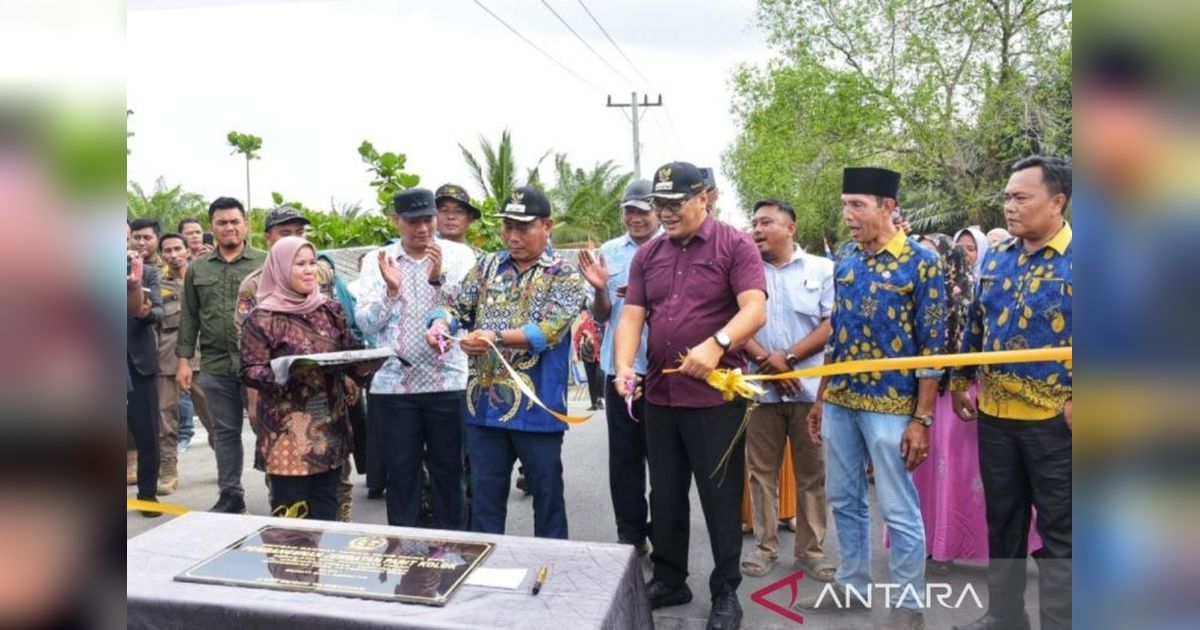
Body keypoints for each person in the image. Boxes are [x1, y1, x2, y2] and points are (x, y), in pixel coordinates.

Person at [614, 161, 767, 630]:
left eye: (674, 203)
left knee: (720, 497)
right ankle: (669, 578)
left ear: (705, 198)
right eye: (659, 204)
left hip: (716, 400)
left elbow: (754, 309)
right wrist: (624, 365)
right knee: (665, 495)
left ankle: (726, 592)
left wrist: (718, 343)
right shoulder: (649, 255)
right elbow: (633, 316)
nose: (665, 213)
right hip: (661, 396)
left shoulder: (734, 245)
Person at [796, 167, 945, 630]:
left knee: (897, 507)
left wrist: (922, 419)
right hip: (842, 400)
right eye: (845, 205)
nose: (848, 215)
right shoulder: (846, 257)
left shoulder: (921, 262)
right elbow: (837, 334)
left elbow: (933, 347)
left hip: (892, 406)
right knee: (844, 498)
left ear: (888, 207)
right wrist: (821, 398)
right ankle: (852, 586)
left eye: (857, 205)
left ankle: (909, 605)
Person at [950, 156, 1073, 630]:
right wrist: (961, 379)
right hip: (996, 417)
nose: (1009, 206)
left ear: (1057, 202)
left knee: (1062, 531)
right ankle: (1004, 616)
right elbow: (976, 323)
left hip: (1056, 423)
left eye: (1021, 197)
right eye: (1006, 197)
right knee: (1003, 521)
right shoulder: (998, 256)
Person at [426, 186, 587, 540]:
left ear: (547, 226)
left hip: (538, 407)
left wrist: (493, 337)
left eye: (523, 228)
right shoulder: (487, 266)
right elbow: (456, 307)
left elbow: (549, 330)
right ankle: (486, 567)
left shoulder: (564, 275)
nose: (513, 236)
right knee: (485, 500)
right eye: (507, 227)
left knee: (547, 497)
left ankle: (552, 565)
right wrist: (440, 324)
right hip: (483, 408)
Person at [355, 188, 477, 529]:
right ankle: (402, 549)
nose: (423, 229)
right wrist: (391, 291)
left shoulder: (459, 256)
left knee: (449, 472)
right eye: (413, 222)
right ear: (396, 221)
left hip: (447, 382)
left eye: (428, 220)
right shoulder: (377, 261)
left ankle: (454, 545)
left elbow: (469, 312)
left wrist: (439, 279)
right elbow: (366, 324)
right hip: (395, 387)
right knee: (401, 475)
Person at [232, 206, 352, 519]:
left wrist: (361, 367)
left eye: (312, 263)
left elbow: (349, 350)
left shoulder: (330, 309)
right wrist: (291, 372)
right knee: (291, 512)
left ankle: (324, 551)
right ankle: (289, 554)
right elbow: (250, 370)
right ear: (281, 268)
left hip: (328, 421)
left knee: (327, 504)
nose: (310, 270)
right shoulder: (263, 317)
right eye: (300, 264)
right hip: (285, 427)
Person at [738, 199, 836, 582]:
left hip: (809, 392)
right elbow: (734, 321)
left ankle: (811, 551)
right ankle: (764, 547)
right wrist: (769, 363)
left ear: (790, 228)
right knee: (761, 473)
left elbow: (831, 323)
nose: (757, 229)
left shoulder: (822, 269)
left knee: (812, 474)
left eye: (766, 222)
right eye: (754, 223)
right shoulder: (744, 270)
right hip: (761, 391)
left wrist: (789, 358)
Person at [576, 178, 661, 556]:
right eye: (629, 211)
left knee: (665, 462)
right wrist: (599, 289)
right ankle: (630, 534)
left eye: (642, 211)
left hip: (663, 370)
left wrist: (647, 297)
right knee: (624, 460)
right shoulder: (609, 253)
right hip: (620, 370)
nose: (635, 218)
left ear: (658, 211)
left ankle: (663, 533)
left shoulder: (673, 248)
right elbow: (601, 316)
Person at [176, 196, 266, 514]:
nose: (229, 227)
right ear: (211, 227)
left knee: (265, 427)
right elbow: (190, 316)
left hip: (258, 366)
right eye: (222, 222)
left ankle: (279, 488)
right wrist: (184, 361)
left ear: (246, 225)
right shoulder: (198, 268)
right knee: (225, 432)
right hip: (215, 364)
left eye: (235, 221)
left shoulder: (265, 263)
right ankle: (231, 495)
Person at [153, 232, 213, 495]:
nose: (173, 255)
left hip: (201, 357)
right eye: (167, 250)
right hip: (166, 358)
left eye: (178, 248)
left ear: (188, 250)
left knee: (213, 415)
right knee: (165, 417)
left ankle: (226, 464)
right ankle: (168, 469)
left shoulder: (201, 279)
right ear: (161, 254)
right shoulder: (157, 284)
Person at [128, 222, 163, 515]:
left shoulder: (146, 271)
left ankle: (148, 494)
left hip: (138, 363)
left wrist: (146, 313)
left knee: (147, 433)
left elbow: (159, 311)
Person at [435, 183, 483, 254]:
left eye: (459, 211)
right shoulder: (421, 255)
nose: (451, 216)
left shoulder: (482, 258)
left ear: (470, 218)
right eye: (444, 210)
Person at [572, 307, 603, 410]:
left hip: (600, 355)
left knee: (599, 376)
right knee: (591, 379)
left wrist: (592, 336)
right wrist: (575, 354)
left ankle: (600, 398)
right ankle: (594, 403)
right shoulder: (583, 325)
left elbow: (604, 337)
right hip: (588, 356)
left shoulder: (601, 323)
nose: (587, 315)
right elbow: (575, 339)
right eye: (586, 312)